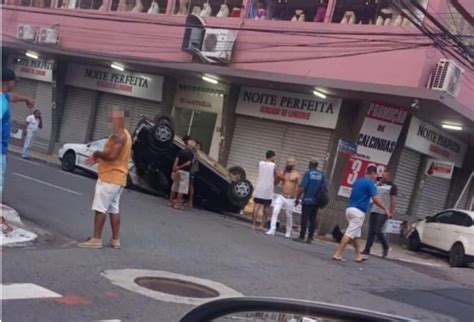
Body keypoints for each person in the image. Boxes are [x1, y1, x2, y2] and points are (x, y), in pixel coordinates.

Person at [78, 106, 132, 249]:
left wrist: (97, 153)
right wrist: (99, 158)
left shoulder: (120, 135)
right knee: (114, 208)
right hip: (118, 177)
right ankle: (115, 239)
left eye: (113, 119)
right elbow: (112, 155)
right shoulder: (122, 134)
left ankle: (96, 239)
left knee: (100, 208)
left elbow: (112, 155)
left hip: (110, 177)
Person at [332, 166, 390, 262]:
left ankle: (358, 255)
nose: (376, 177)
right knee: (349, 234)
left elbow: (376, 182)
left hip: (350, 209)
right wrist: (385, 209)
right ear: (372, 174)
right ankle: (337, 254)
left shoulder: (358, 181)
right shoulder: (370, 183)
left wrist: (379, 179)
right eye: (375, 175)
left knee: (356, 235)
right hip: (358, 212)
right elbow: (375, 199)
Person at [1, 68, 34, 233]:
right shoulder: (1, 101)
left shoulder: (5, 97)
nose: (15, 84)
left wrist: (26, 98)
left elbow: (12, 97)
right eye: (14, 81)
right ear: (9, 82)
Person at [362, 170, 397, 258]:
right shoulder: (378, 185)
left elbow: (393, 200)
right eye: (382, 175)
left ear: (389, 177)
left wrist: (391, 212)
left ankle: (386, 246)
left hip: (383, 212)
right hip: (374, 210)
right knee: (371, 231)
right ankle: (367, 249)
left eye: (385, 176)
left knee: (377, 230)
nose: (382, 177)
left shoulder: (393, 187)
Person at [266, 157, 301, 238]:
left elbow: (299, 187)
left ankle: (288, 230)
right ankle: (272, 229)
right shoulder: (283, 172)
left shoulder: (296, 175)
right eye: (287, 164)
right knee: (275, 211)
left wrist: (297, 198)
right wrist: (278, 176)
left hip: (290, 198)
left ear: (293, 166)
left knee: (289, 215)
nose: (288, 165)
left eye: (290, 164)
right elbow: (276, 182)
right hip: (281, 196)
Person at [294, 159, 326, 244]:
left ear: (310, 165)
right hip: (316, 201)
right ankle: (310, 237)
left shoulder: (308, 173)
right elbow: (323, 188)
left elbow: (302, 187)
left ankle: (302, 236)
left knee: (305, 218)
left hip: (307, 200)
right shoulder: (321, 175)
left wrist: (297, 198)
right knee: (313, 219)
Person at [252, 150, 277, 231]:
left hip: (259, 187)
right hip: (268, 189)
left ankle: (253, 224)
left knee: (256, 206)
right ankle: (262, 225)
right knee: (266, 207)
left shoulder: (260, 163)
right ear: (272, 156)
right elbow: (276, 175)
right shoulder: (273, 165)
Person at [169, 139, 196, 210]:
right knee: (182, 189)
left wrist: (175, 168)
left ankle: (171, 202)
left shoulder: (181, 151)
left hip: (178, 171)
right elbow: (188, 163)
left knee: (174, 186)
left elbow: (176, 160)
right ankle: (177, 204)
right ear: (193, 147)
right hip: (185, 172)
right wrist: (180, 167)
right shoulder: (191, 154)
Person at [188, 140, 201, 209]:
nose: (196, 147)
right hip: (192, 169)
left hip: (192, 170)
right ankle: (189, 201)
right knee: (189, 185)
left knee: (190, 185)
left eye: (197, 146)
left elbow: (193, 161)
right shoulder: (194, 152)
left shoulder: (196, 153)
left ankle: (190, 201)